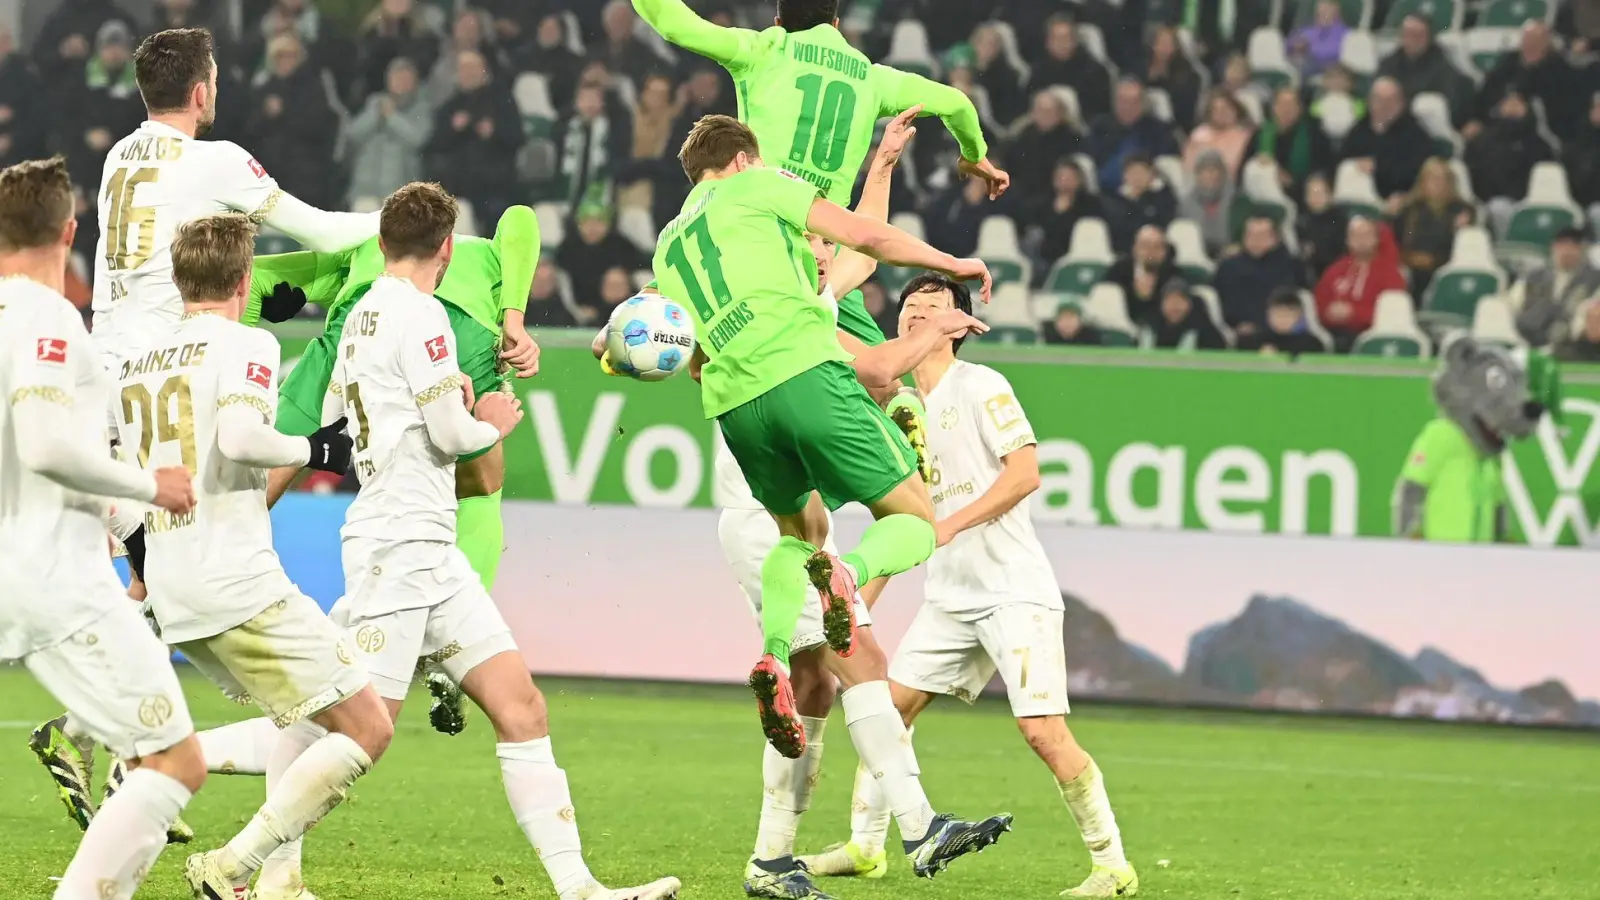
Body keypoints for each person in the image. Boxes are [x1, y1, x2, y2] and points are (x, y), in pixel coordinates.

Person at [29, 27, 383, 827]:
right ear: (202, 91)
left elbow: (173, 266)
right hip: (168, 374)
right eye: (215, 80)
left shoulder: (122, 155)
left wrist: (268, 294)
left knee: (156, 566)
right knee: (203, 538)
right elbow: (324, 230)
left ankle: (96, 736)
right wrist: (408, 227)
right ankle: (109, 735)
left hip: (108, 373)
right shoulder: (214, 159)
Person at [651, 119, 1013, 884]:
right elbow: (873, 339)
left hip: (744, 449)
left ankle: (770, 857)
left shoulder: (680, 253)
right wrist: (943, 308)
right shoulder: (791, 286)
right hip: (773, 447)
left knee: (814, 679)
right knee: (872, 637)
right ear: (746, 163)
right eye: (807, 243)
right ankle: (919, 828)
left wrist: (881, 166)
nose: (816, 251)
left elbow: (850, 246)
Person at [325, 182, 680, 900]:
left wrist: (441, 391)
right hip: (398, 544)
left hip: (430, 549)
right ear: (448, 250)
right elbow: (459, 439)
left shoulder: (364, 313)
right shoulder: (422, 313)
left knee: (522, 708)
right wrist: (491, 420)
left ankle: (580, 888)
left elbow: (337, 413)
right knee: (356, 733)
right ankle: (230, 839)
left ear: (383, 242)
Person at [801, 274, 1138, 899]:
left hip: (1013, 590)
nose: (916, 314)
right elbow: (902, 525)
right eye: (908, 307)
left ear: (957, 324)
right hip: (949, 597)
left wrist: (947, 524)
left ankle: (1111, 865)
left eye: (932, 307)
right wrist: (856, 603)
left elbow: (1026, 473)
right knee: (887, 708)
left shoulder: (982, 386)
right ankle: (865, 847)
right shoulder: (899, 411)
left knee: (1042, 733)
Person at [117, 213, 392, 900]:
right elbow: (240, 438)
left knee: (303, 723)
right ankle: (231, 868)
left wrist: (141, 568)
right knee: (366, 726)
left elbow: (119, 486)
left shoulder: (133, 367)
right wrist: (317, 449)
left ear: (179, 280)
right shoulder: (248, 344)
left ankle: (279, 881)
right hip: (235, 582)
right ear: (246, 279)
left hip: (176, 594)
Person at [0, 155, 202, 900]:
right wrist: (153, 486)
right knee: (175, 761)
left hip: (22, 575)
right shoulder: (48, 318)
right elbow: (48, 447)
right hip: (56, 581)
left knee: (157, 754)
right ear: (70, 230)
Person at [630, 0, 1009, 208]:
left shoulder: (766, 50)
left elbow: (674, 23)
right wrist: (974, 153)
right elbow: (956, 103)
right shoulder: (872, 78)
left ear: (778, 21)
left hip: (761, 222)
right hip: (829, 249)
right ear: (837, 24)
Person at [346, 57, 432, 206]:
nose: (401, 82)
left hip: (401, 193)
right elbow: (353, 134)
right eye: (397, 77)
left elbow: (417, 139)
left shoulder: (422, 108)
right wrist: (374, 116)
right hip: (365, 189)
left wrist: (392, 116)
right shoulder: (375, 102)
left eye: (406, 78)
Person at [1313, 216, 1406, 350]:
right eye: (1355, 236)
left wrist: (1353, 313)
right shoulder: (1335, 270)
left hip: (1371, 334)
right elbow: (1319, 302)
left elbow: (1391, 313)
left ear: (1376, 239)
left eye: (1366, 235)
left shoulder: (1390, 274)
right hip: (1332, 332)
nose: (1360, 241)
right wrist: (1329, 312)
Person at [1338, 77, 1432, 204]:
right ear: (1370, 101)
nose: (1384, 105)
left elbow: (1416, 171)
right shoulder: (1359, 130)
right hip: (1362, 199)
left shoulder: (1415, 134)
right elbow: (1342, 159)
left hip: (1401, 198)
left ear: (1402, 102)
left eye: (1390, 100)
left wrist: (1378, 167)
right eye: (1379, 99)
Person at [1214, 215, 1305, 337]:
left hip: (1283, 331)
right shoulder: (1228, 267)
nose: (1255, 240)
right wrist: (1237, 324)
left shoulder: (1291, 266)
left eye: (1261, 236)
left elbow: (1296, 300)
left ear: (1274, 238)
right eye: (1250, 235)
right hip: (1237, 332)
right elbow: (1220, 302)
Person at [1376, 16, 1474, 128]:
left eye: (1417, 35)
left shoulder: (1441, 65)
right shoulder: (1389, 63)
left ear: (1428, 38)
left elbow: (1449, 101)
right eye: (1407, 34)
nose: (1411, 40)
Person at [1394, 157, 1472, 294]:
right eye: (1433, 178)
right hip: (1411, 267)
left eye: (1443, 179)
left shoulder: (1462, 211)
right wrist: (1411, 258)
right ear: (1422, 182)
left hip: (1445, 267)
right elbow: (1398, 241)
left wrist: (1462, 230)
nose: (1438, 183)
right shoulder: (1409, 211)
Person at [1511, 226, 1600, 347]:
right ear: (1554, 247)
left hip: (1571, 347)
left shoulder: (1594, 280)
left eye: (1573, 246)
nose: (1567, 251)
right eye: (1562, 246)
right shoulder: (1534, 277)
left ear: (1582, 250)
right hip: (1526, 340)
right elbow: (1511, 305)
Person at [1087, 80, 1180, 193]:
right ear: (1114, 102)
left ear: (1143, 104)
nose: (1128, 107)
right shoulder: (1099, 127)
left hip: (1146, 193)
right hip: (1105, 193)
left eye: (1134, 102)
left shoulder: (1159, 130)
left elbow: (1167, 164)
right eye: (1123, 101)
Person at [1246, 87, 1333, 201]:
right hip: (1262, 193)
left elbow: (1324, 169)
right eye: (1281, 104)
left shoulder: (1314, 133)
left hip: (1301, 194)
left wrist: (1292, 182)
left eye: (1291, 105)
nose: (1286, 110)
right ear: (1273, 108)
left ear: (1300, 109)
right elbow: (1246, 165)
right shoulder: (1261, 133)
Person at [1028, 15, 1113, 122]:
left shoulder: (1095, 71)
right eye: (1056, 38)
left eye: (1065, 38)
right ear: (1047, 42)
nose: (1061, 44)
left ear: (1075, 41)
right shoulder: (1038, 71)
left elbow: (1101, 112)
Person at [1008, 90, 1083, 199]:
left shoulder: (1071, 138)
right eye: (1039, 110)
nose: (1043, 115)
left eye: (1048, 111)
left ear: (1060, 114)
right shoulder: (1024, 135)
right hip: (1023, 192)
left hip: (1053, 193)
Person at [1105, 224, 1179, 326]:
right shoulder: (1119, 269)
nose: (1151, 252)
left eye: (1157, 247)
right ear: (1135, 249)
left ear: (1165, 251)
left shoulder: (1173, 274)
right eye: (1145, 246)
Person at [1177, 150, 1248, 257]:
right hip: (1198, 257)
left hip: (1233, 256)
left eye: (1216, 170)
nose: (1211, 175)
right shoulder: (1186, 204)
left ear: (1223, 173)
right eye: (1205, 170)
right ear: (1197, 175)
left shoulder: (1239, 200)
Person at [1103, 153, 1176, 253]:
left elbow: (1164, 224)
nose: (1137, 177)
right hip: (1125, 252)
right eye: (1133, 172)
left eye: (1142, 172)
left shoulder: (1164, 197)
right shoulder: (1115, 200)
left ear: (1152, 175)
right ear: (1124, 175)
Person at [1236, 286, 1325, 355]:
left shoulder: (1311, 344)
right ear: (1268, 315)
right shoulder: (1255, 341)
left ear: (1298, 317)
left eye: (1287, 315)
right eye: (1278, 315)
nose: (1282, 320)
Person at [1145, 278, 1226, 349]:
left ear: (1189, 304)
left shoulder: (1206, 332)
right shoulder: (1149, 328)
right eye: (1169, 301)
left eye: (1180, 300)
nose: (1174, 306)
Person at [1287, 0, 1348, 77]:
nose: (1321, 12)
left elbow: (1331, 53)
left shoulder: (1343, 33)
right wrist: (1294, 44)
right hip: (1300, 63)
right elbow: (1289, 43)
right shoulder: (1308, 30)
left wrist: (1308, 47)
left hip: (1326, 69)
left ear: (1336, 11)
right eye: (1319, 11)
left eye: (1326, 10)